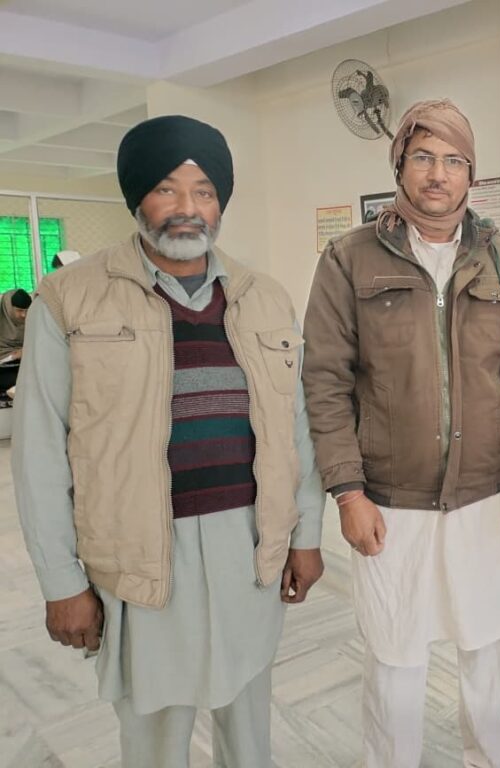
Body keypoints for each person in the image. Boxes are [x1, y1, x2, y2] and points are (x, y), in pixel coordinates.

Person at [12, 114, 325, 768]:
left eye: (204, 190)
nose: (188, 207)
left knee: (248, 723)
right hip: (141, 555)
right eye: (166, 188)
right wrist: (61, 581)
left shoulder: (265, 298)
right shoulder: (69, 299)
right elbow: (39, 453)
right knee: (155, 734)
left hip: (248, 547)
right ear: (137, 197)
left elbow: (295, 428)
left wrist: (306, 534)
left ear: (221, 201)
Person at [302, 99, 500, 768]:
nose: (438, 174)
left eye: (454, 160)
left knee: (491, 652)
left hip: (492, 496)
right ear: (399, 166)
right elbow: (324, 381)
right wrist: (348, 493)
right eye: (424, 157)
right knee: (394, 659)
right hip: (391, 502)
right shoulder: (348, 259)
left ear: (472, 174)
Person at [0, 288, 31, 393]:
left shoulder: (32, 323)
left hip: (26, 367)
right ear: (8, 308)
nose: (24, 315)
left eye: (27, 310)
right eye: (19, 310)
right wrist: (12, 356)